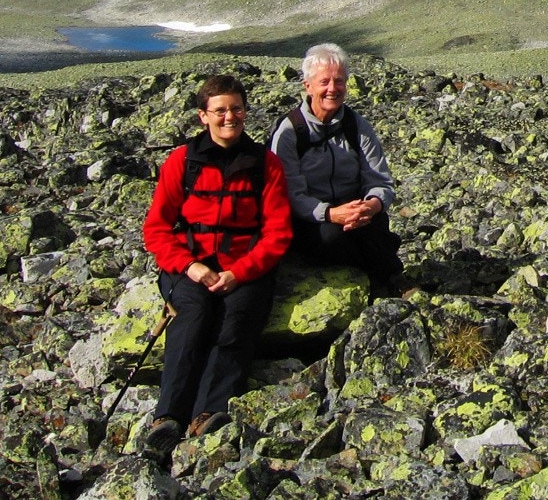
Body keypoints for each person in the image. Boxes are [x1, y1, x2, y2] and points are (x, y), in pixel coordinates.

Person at [140, 73, 292, 457]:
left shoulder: (265, 164)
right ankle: (167, 417)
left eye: (237, 109)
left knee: (237, 318)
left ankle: (210, 412)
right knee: (192, 314)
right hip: (190, 265)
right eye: (220, 110)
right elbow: (156, 229)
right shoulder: (181, 161)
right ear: (202, 116)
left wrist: (238, 273)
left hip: (244, 266)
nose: (230, 117)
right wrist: (188, 266)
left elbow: (277, 234)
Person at [269, 43, 403, 291]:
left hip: (354, 211)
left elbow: (380, 180)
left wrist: (371, 205)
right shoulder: (289, 132)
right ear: (307, 86)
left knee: (370, 224)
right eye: (324, 82)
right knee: (334, 236)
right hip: (310, 219)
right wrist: (331, 214)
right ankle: (387, 274)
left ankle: (383, 274)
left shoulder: (356, 125)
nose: (333, 89)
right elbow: (290, 195)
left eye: (339, 81)